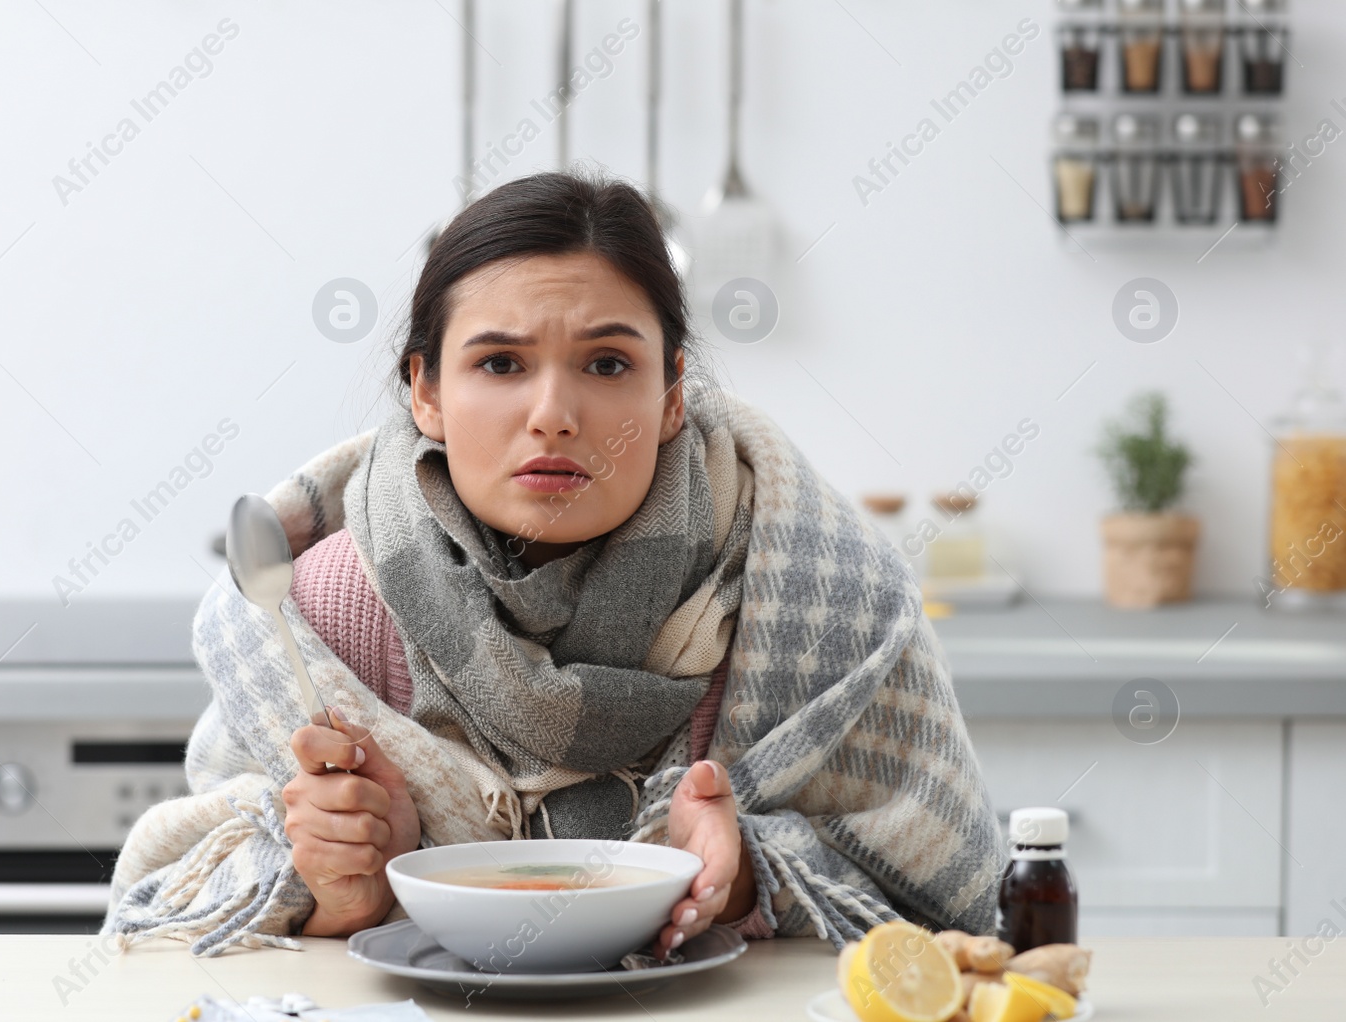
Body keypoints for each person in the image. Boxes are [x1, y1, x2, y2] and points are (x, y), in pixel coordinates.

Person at [103, 170, 1003, 959]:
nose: (553, 413)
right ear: (425, 392)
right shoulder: (328, 610)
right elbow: (168, 911)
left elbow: (960, 901)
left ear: (672, 394)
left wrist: (744, 878)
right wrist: (340, 895)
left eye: (608, 362)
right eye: (499, 363)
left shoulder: (817, 588)